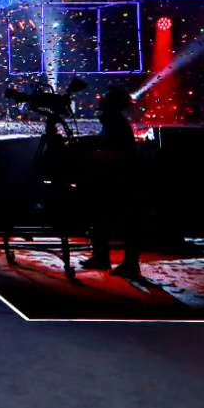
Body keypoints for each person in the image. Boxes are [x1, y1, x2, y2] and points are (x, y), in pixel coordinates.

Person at [80, 87, 143, 279]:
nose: (101, 102)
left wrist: (91, 155)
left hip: (119, 179)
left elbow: (116, 152)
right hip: (119, 177)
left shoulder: (115, 123)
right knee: (103, 218)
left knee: (118, 220)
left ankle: (127, 264)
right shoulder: (115, 122)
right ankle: (105, 258)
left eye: (105, 99)